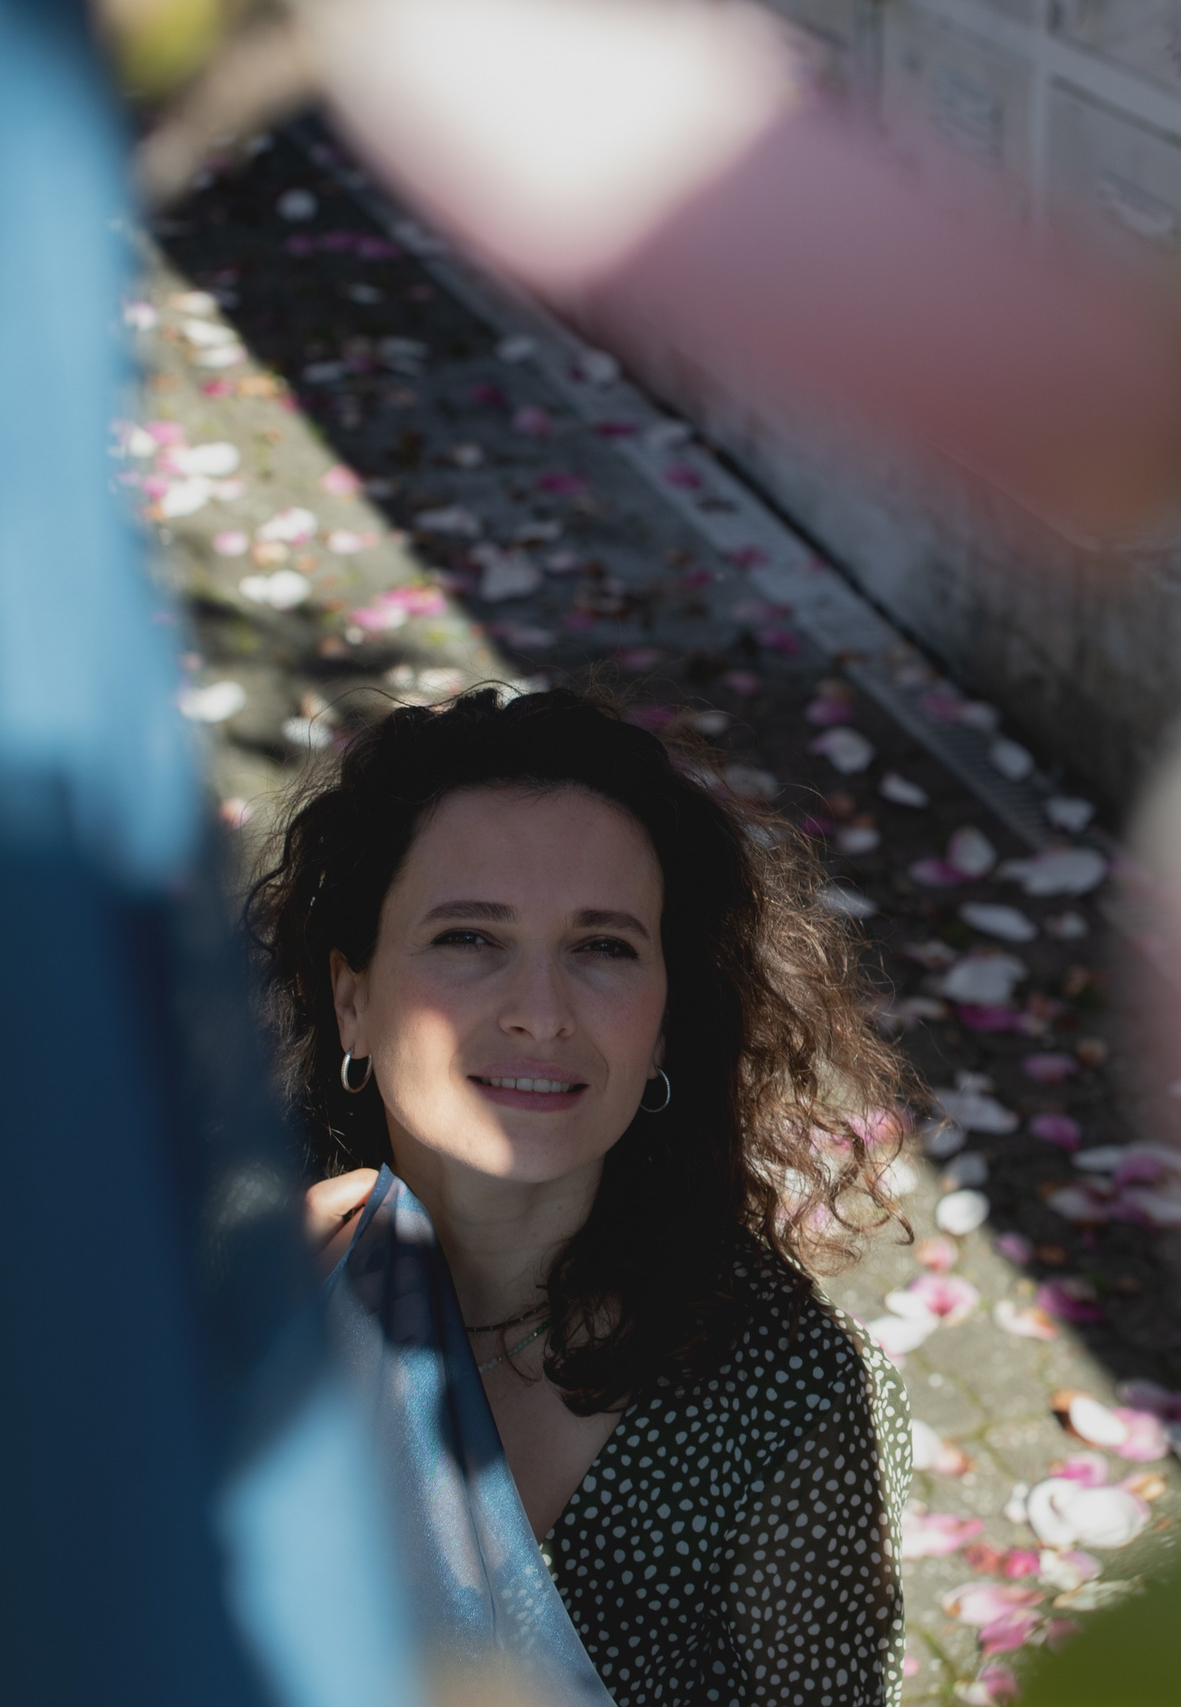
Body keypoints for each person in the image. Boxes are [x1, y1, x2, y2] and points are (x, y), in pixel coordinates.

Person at [248, 684, 912, 1707]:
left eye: (602, 947)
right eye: (470, 938)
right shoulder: (208, 1274)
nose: (540, 1013)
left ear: (662, 1026)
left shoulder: (791, 1397)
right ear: (352, 1001)